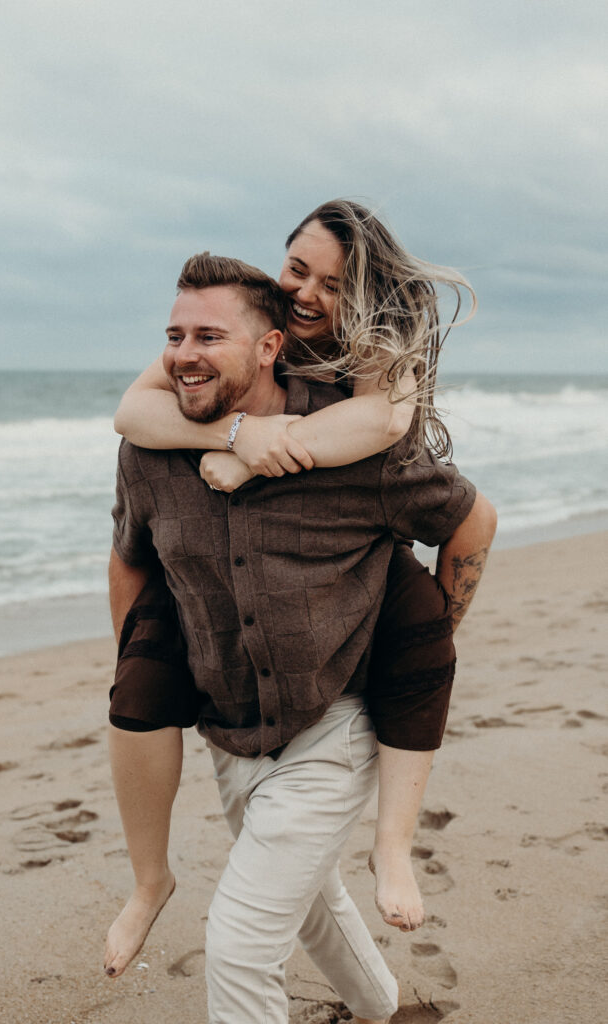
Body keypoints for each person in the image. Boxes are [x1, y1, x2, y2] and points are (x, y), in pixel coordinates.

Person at [106, 251, 496, 1023]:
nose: (184, 353)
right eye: (174, 335)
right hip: (230, 727)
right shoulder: (148, 451)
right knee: (305, 895)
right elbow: (129, 560)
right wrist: (146, 673)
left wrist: (429, 638)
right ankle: (383, 1008)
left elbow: (470, 522)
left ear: (268, 346)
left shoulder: (351, 448)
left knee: (241, 939)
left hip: (335, 726)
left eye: (209, 335)